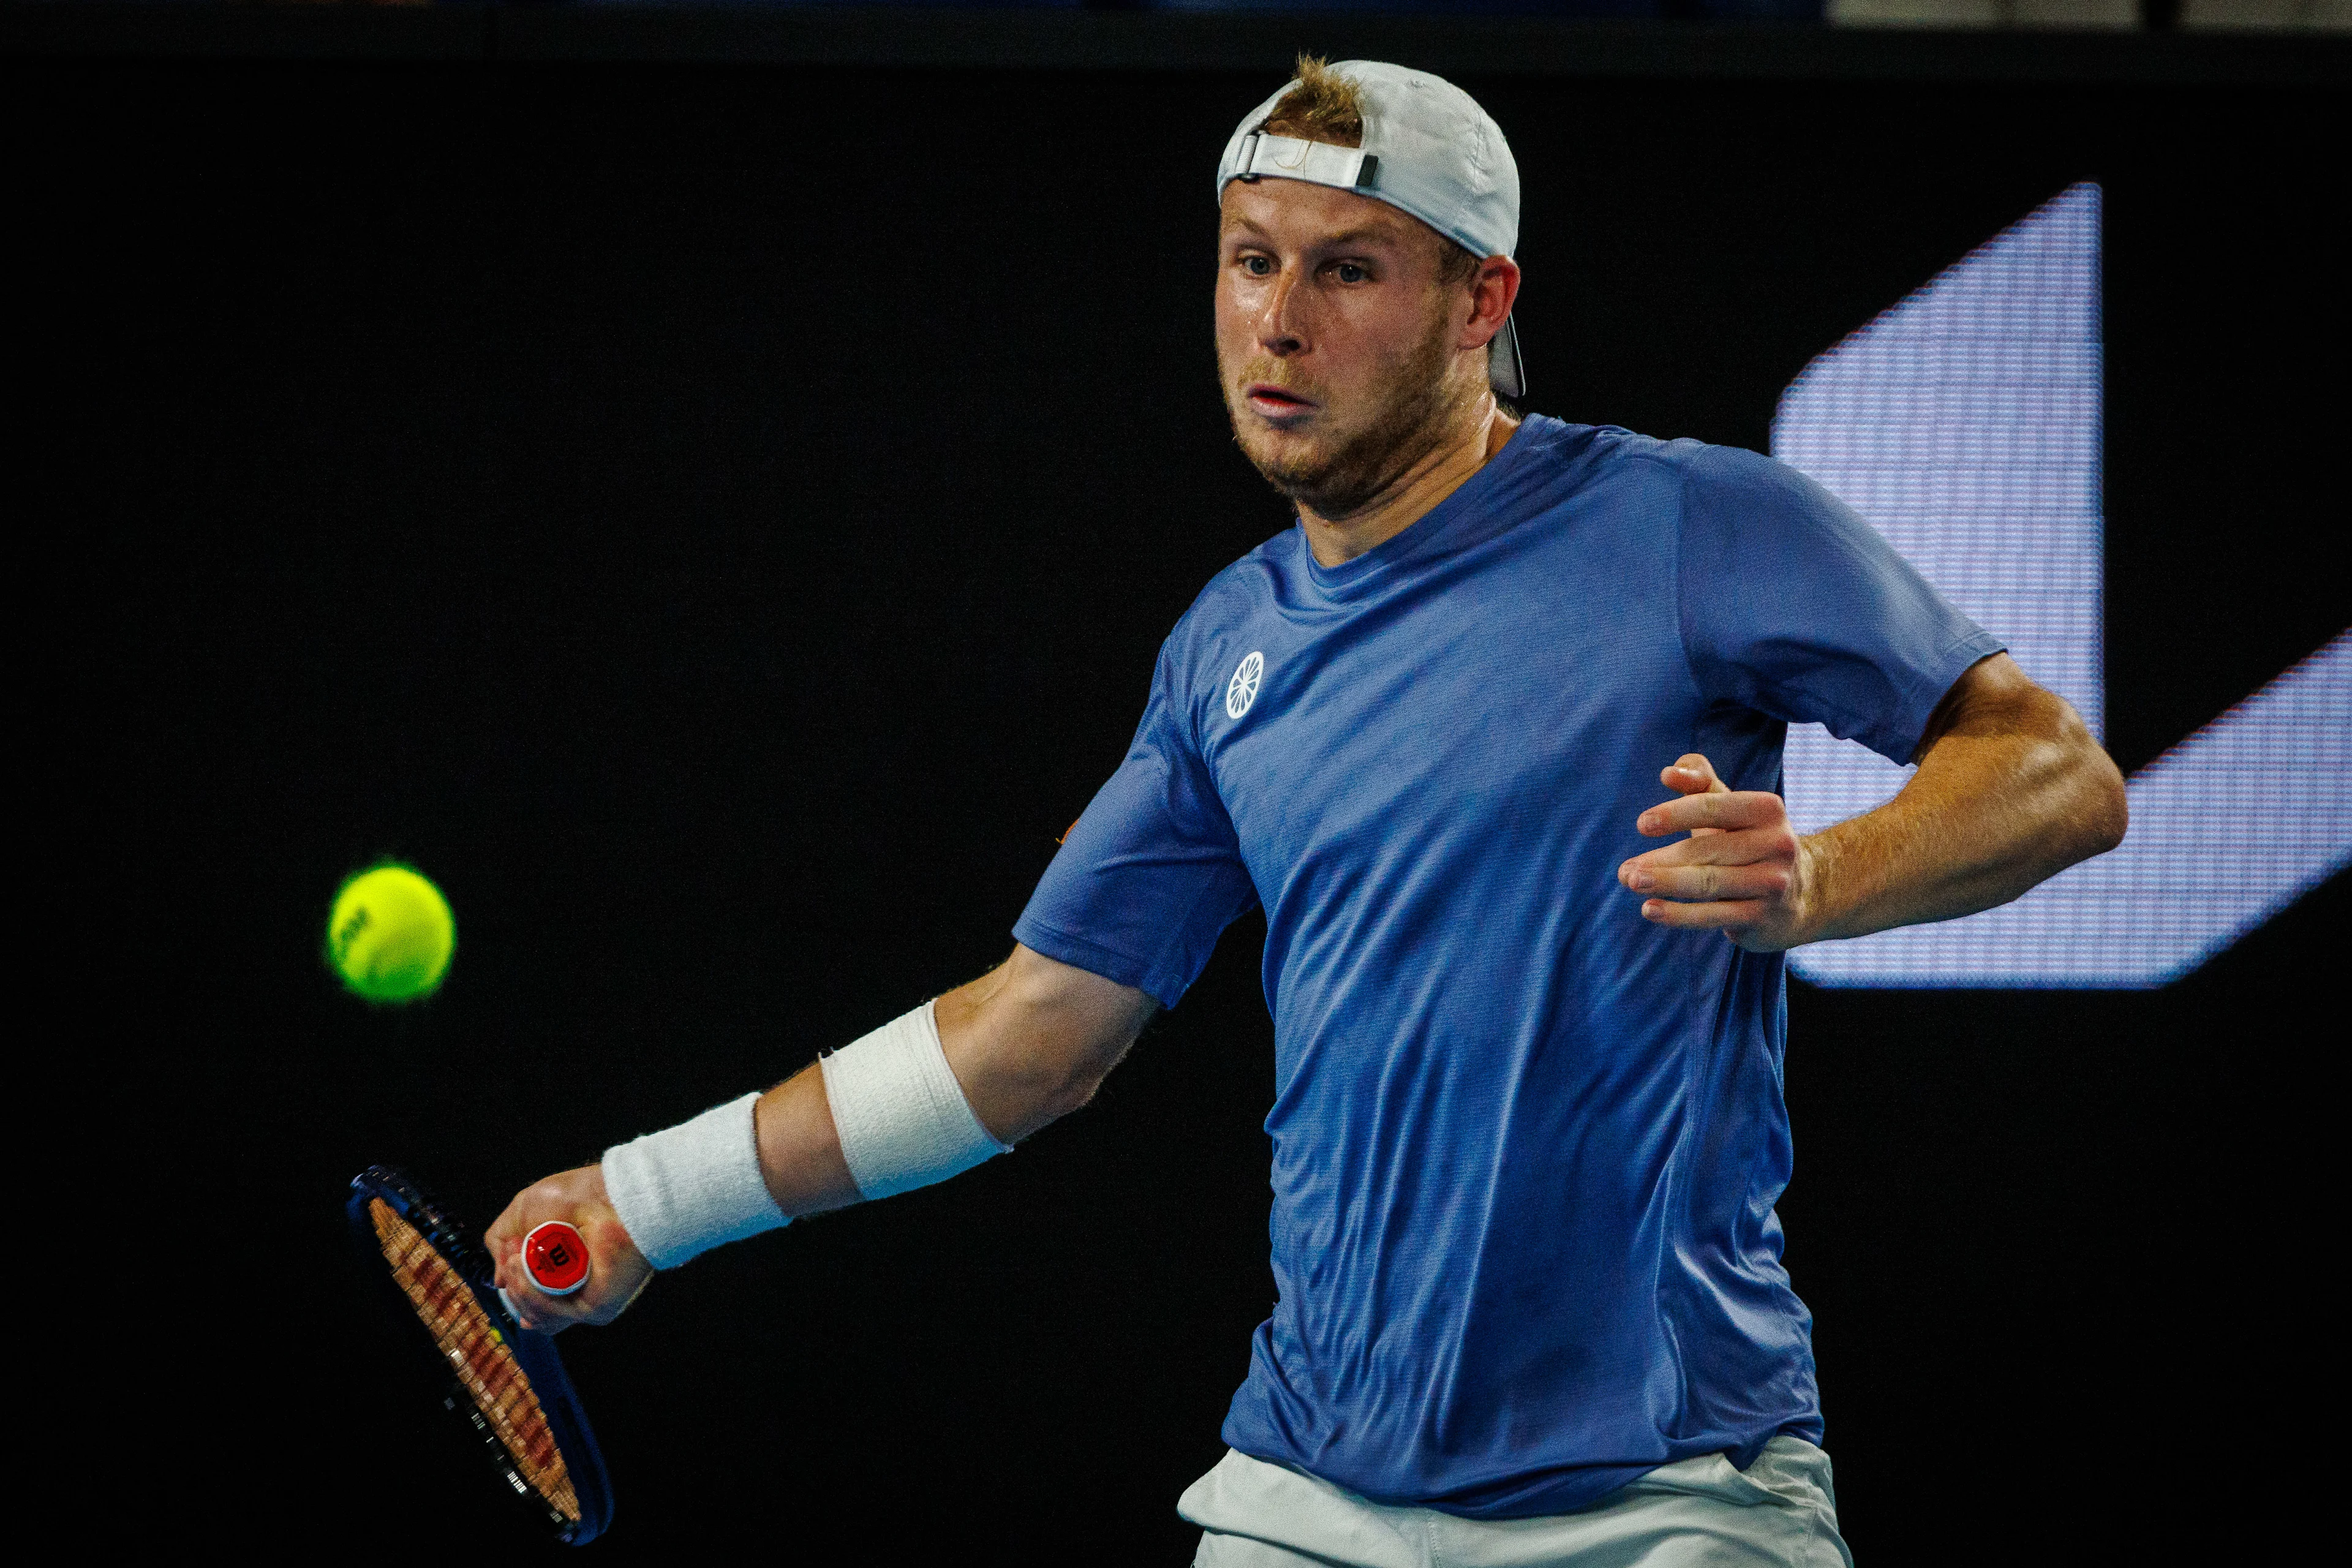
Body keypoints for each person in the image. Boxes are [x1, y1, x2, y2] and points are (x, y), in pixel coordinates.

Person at [486, 58, 2127, 1566]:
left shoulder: (1691, 523)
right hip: (1309, 1498)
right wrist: (645, 1197)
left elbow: (2059, 775)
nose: (1276, 322)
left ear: (1482, 301)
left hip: (1669, 1492)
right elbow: (1033, 1039)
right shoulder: (1226, 649)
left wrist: (1821, 879)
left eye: (1347, 270)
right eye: (1250, 257)